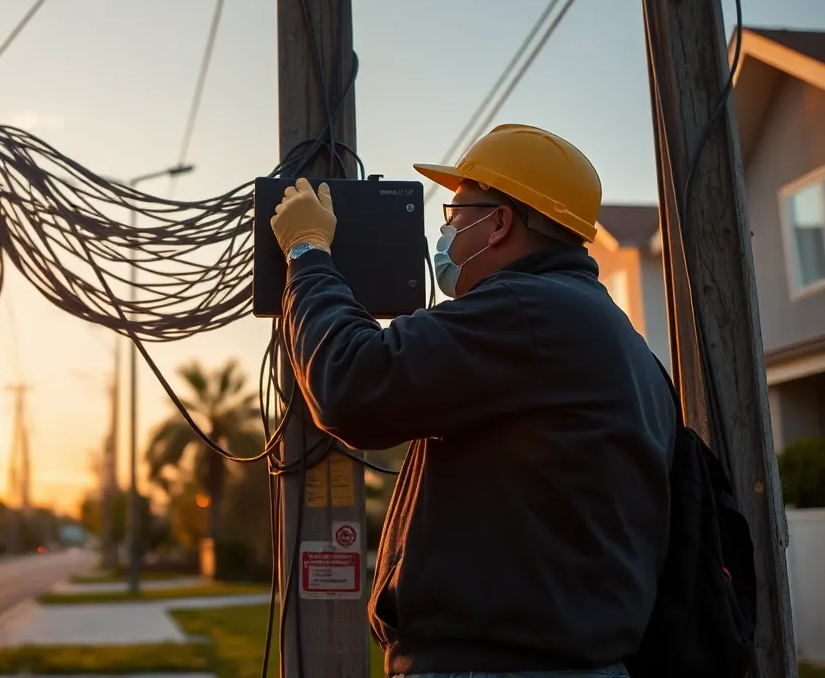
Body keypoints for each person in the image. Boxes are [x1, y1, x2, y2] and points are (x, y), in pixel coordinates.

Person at [269, 123, 676, 678]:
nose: (446, 236)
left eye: (457, 217)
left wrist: (308, 254)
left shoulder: (527, 311)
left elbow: (351, 384)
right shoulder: (615, 335)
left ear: (499, 223)